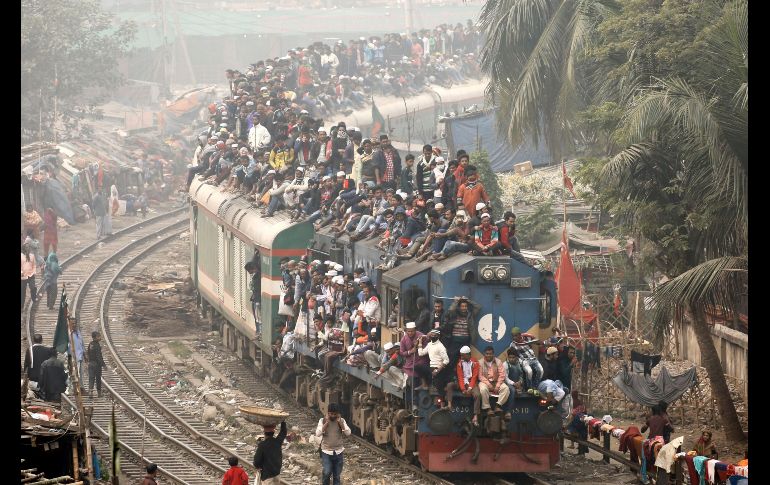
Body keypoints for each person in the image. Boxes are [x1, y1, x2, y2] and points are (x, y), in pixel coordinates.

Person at [315, 403, 351, 485]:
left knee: (337, 476)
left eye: (335, 414)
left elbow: (348, 433)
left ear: (338, 414)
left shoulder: (342, 421)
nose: (333, 416)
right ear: (328, 413)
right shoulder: (322, 420)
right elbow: (317, 434)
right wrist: (326, 423)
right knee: (327, 472)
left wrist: (340, 424)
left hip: (338, 452)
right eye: (331, 414)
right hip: (326, 452)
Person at [445, 346, 481, 424]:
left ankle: (475, 416)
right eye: (461, 355)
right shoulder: (459, 363)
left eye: (463, 355)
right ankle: (449, 404)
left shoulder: (475, 362)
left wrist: (470, 388)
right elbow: (460, 377)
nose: (461, 357)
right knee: (449, 385)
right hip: (462, 384)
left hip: (472, 383)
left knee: (477, 395)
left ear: (468, 354)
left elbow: (474, 376)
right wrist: (463, 389)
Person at [478, 346, 511, 418]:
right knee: (483, 389)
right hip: (485, 382)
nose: (489, 355)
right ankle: (488, 408)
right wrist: (488, 384)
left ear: (493, 354)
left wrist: (498, 385)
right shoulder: (480, 362)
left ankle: (498, 406)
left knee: (506, 388)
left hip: (496, 382)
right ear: (484, 354)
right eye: (487, 353)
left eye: (490, 354)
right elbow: (480, 376)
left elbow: (502, 375)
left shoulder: (498, 361)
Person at [417, 328, 450, 396]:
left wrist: (437, 370)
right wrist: (420, 343)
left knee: (438, 388)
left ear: (438, 336)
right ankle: (424, 384)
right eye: (431, 335)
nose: (432, 336)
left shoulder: (441, 347)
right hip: (431, 367)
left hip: (438, 368)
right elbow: (421, 353)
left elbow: (446, 360)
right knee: (418, 367)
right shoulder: (429, 344)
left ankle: (443, 402)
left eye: (434, 335)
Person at [87, 331, 105, 398]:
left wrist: (88, 361)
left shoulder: (90, 344)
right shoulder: (97, 345)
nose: (100, 337)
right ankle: (99, 393)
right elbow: (99, 356)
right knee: (98, 379)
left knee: (91, 378)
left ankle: (90, 393)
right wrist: (103, 364)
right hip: (97, 365)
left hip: (91, 364)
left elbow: (88, 352)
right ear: (95, 337)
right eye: (99, 336)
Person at [21, 243, 37, 307]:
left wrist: (34, 272)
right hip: (23, 276)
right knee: (22, 292)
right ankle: (21, 306)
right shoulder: (21, 256)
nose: (28, 249)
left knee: (33, 287)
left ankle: (34, 298)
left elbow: (34, 265)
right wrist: (21, 272)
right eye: (26, 247)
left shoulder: (32, 256)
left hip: (31, 275)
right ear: (24, 248)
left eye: (29, 248)